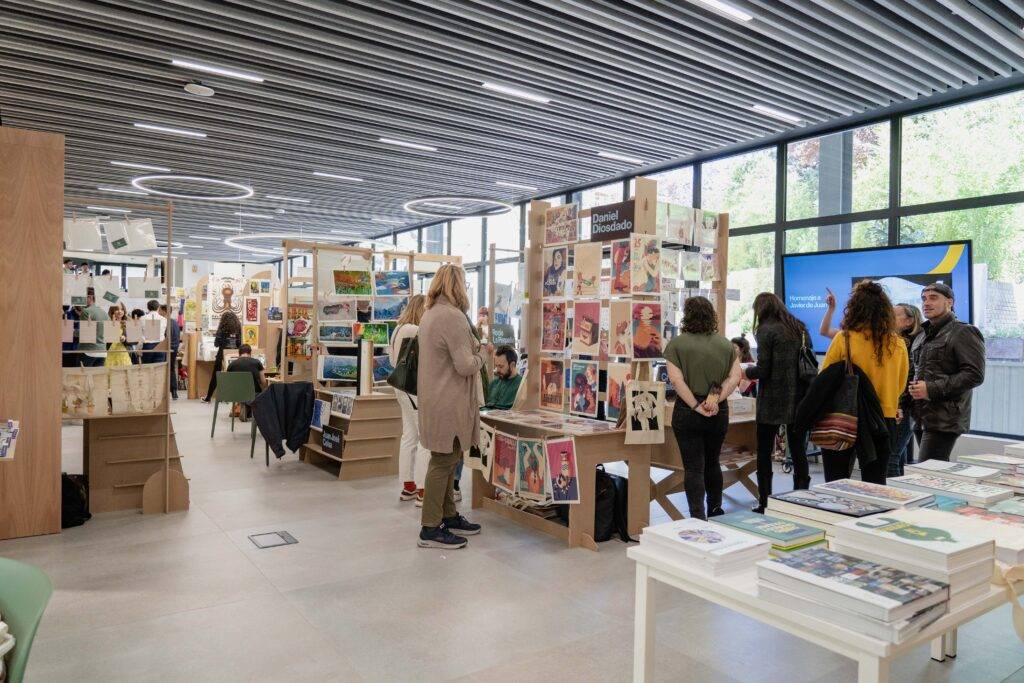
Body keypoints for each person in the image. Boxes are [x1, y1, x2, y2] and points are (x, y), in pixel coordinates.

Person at [416, 264, 488, 549]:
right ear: (458, 286)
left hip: (435, 398)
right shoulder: (452, 316)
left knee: (446, 458)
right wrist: (483, 354)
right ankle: (430, 527)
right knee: (444, 461)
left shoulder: (430, 314)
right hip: (449, 401)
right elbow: (466, 365)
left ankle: (447, 515)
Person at [662, 296, 742, 520]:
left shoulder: (676, 345)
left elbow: (676, 381)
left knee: (693, 467)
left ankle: (697, 517)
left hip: (688, 411)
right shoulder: (725, 344)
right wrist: (715, 400)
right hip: (717, 410)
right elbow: (735, 377)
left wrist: (697, 406)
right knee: (713, 463)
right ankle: (715, 510)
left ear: (687, 316)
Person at [820, 281, 908, 483]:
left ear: (854, 308)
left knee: (836, 482)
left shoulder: (844, 339)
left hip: (843, 417)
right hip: (882, 418)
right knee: (875, 484)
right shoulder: (898, 344)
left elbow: (825, 380)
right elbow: (900, 385)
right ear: (885, 311)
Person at [741, 293, 813, 511]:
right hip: (799, 396)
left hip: (772, 398)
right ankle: (801, 500)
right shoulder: (799, 327)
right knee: (798, 449)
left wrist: (745, 372)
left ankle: (765, 502)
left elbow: (763, 370)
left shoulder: (765, 330)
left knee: (764, 451)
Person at [909, 283, 985, 462]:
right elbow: (914, 375)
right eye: (924, 299)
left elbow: (974, 374)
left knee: (927, 471)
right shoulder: (921, 336)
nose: (926, 303)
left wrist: (931, 389)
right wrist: (902, 405)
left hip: (945, 417)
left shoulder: (964, 331)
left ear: (949, 302)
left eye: (933, 298)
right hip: (920, 416)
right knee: (933, 471)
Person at [389, 294, 429, 505]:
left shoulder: (398, 329)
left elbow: (391, 360)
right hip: (414, 388)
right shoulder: (415, 330)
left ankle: (408, 485)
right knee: (424, 439)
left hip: (400, 387)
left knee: (409, 436)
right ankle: (423, 490)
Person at [890, 303, 923, 476]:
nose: (889, 318)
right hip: (900, 404)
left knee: (890, 456)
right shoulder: (897, 341)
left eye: (895, 315)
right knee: (898, 455)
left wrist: (900, 405)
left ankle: (890, 492)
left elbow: (908, 378)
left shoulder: (914, 344)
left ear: (910, 321)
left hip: (905, 405)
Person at [203, 310, 242, 402]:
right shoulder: (238, 328)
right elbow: (239, 343)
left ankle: (208, 397)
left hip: (222, 355)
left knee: (216, 376)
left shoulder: (222, 328)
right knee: (233, 376)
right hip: (234, 355)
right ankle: (231, 397)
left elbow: (216, 343)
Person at [78, 288, 109, 367]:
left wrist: (70, 331)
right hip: (102, 352)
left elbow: (84, 333)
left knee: (82, 374)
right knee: (97, 375)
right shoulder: (105, 314)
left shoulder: (86, 311)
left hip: (88, 351)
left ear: (90, 297)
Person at [485, 346, 521, 410]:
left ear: (512, 365)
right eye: (496, 366)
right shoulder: (493, 384)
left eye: (501, 366)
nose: (497, 370)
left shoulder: (521, 385)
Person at [159, 304, 181, 399]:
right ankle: (174, 391)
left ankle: (162, 393)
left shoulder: (163, 322)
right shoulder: (175, 322)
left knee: (162, 370)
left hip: (165, 349)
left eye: (160, 310)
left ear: (164, 311)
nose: (158, 312)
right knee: (171, 369)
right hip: (174, 349)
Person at [141, 299, 167, 364]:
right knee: (159, 367)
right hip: (161, 345)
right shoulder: (164, 319)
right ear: (158, 307)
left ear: (148, 308)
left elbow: (139, 334)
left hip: (148, 346)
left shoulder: (142, 318)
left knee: (147, 367)